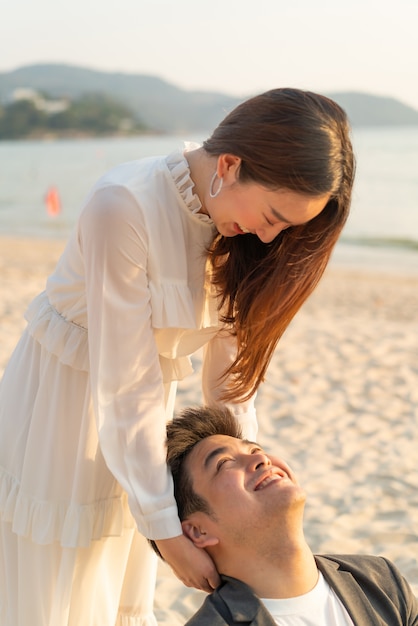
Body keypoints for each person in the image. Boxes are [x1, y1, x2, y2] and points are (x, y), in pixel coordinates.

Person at [0, 88, 355, 626]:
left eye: (288, 227)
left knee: (113, 575)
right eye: (273, 215)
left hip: (138, 425)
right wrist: (166, 532)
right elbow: (126, 383)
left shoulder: (237, 229)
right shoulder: (123, 206)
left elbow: (231, 380)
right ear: (230, 165)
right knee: (60, 582)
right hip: (63, 408)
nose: (269, 234)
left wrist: (243, 481)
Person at [155, 405, 418, 625]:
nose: (262, 461)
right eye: (224, 464)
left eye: (255, 450)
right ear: (198, 530)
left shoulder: (381, 582)